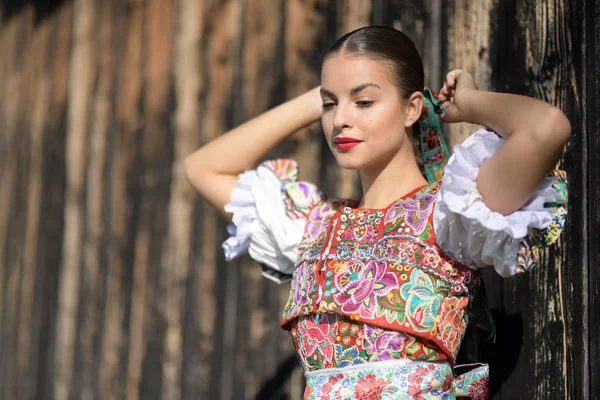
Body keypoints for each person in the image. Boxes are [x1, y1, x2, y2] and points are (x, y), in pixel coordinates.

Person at [184, 26, 569, 399]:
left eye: (364, 101)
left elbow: (546, 127)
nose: (339, 121)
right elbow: (203, 168)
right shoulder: (315, 226)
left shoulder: (449, 214)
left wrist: (468, 104)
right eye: (331, 105)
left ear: (412, 108)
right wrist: (321, 96)